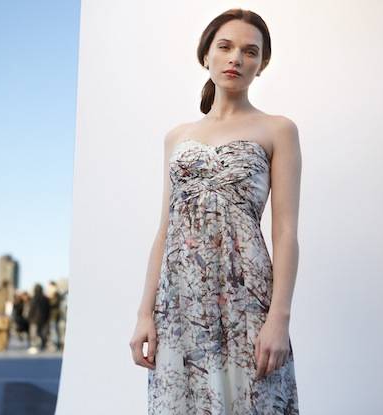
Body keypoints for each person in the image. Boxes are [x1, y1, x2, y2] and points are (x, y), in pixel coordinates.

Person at [129, 8, 301, 413]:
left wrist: (279, 318)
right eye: (225, 47)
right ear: (205, 54)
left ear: (261, 64)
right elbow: (165, 230)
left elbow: (286, 232)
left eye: (249, 51)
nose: (235, 58)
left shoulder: (278, 129)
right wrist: (144, 314)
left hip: (247, 298)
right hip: (179, 304)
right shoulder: (177, 137)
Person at [27, 283, 50, 353]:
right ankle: (43, 346)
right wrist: (47, 318)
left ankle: (33, 346)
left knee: (33, 334)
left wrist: (29, 317)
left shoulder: (34, 298)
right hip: (44, 319)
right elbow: (48, 310)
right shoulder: (46, 299)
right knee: (43, 334)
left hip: (34, 319)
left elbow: (31, 309)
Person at [47, 281, 62, 351]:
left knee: (54, 330)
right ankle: (55, 344)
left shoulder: (56, 294)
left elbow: (54, 304)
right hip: (52, 315)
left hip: (55, 315)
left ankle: (56, 344)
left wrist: (49, 299)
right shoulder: (53, 294)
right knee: (53, 330)